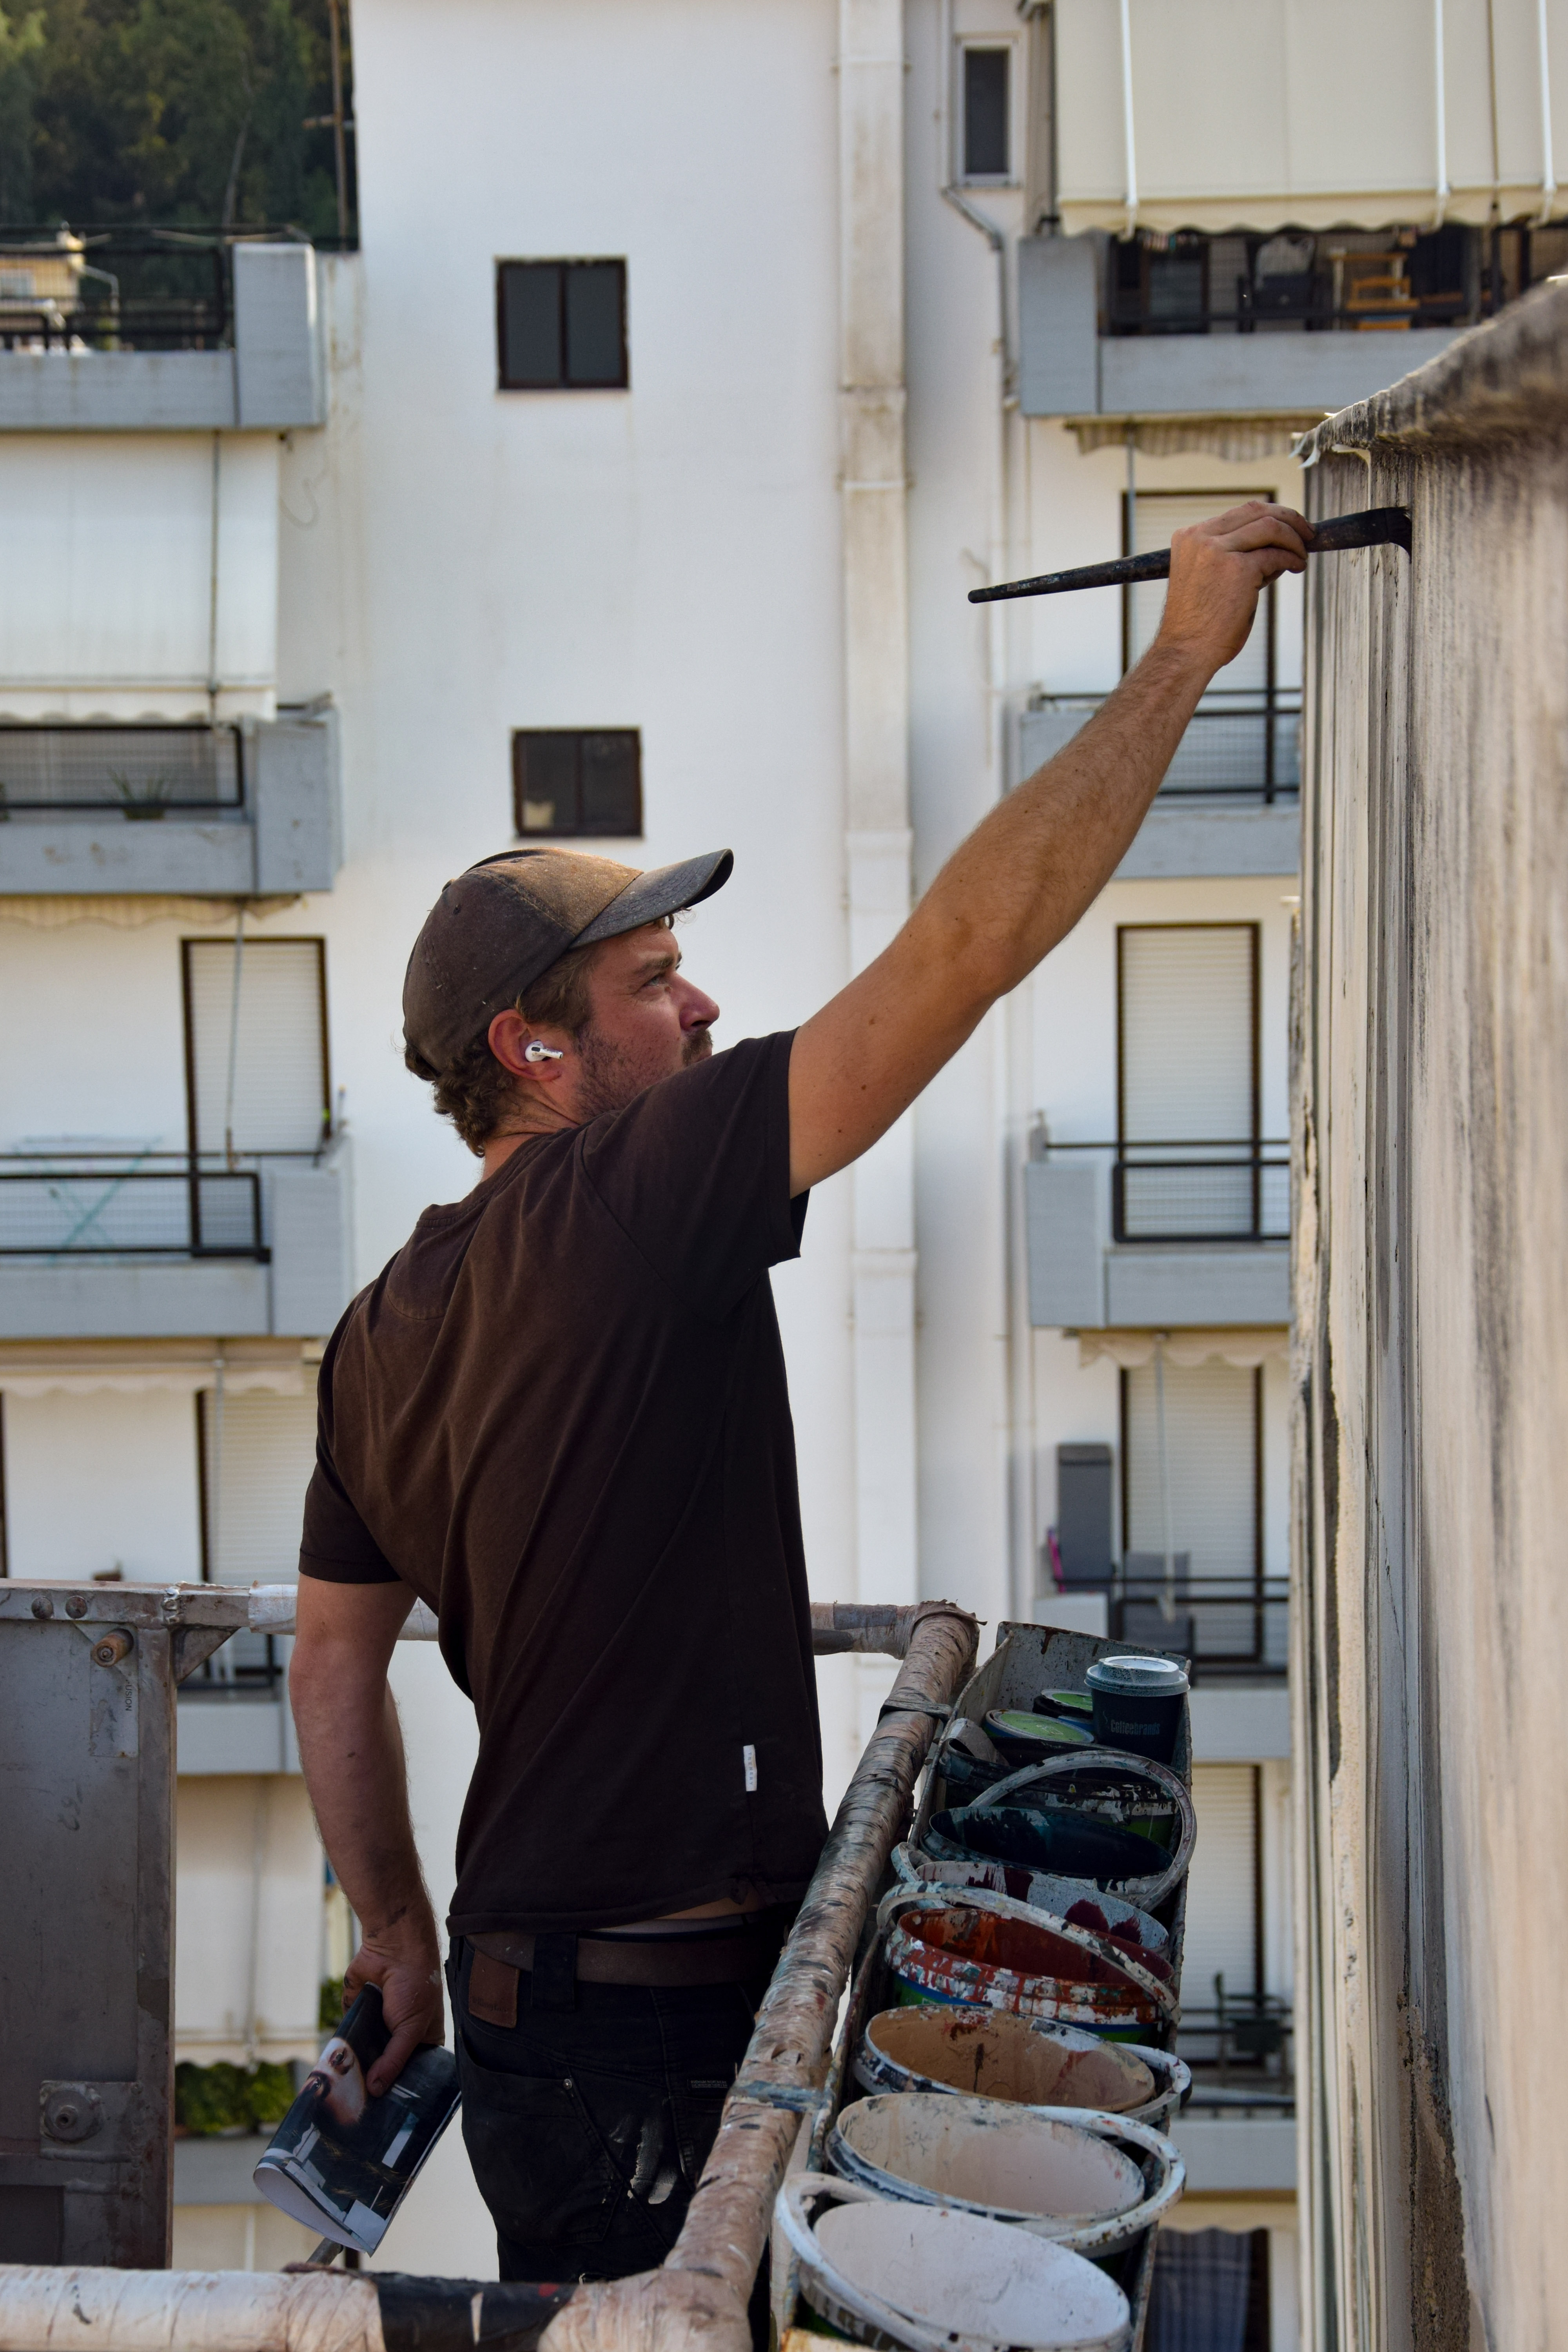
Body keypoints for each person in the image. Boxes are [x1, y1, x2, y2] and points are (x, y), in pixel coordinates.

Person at [289, 501, 1311, 2288]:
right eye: (652, 984)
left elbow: (329, 1662)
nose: (700, 1010)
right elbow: (959, 955)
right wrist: (1180, 658)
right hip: (655, 2027)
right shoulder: (625, 1195)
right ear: (535, 1050)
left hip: (535, 2011)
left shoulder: (378, 1326)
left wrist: (394, 1932)